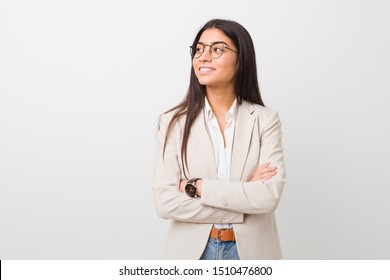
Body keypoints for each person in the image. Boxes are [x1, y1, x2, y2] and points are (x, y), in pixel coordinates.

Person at [152, 18, 286, 260]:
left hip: (254, 255)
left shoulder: (265, 120)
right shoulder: (172, 122)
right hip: (193, 255)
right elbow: (165, 202)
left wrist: (197, 187)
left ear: (240, 60)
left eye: (217, 50)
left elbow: (268, 197)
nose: (203, 57)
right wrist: (243, 202)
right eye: (199, 49)